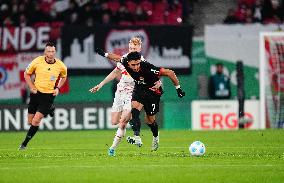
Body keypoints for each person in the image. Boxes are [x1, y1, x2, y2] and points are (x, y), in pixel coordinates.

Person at [97, 51, 185, 156]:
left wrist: (178, 89)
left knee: (149, 120)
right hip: (139, 90)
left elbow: (169, 73)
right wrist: (104, 54)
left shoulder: (148, 68)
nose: (136, 67)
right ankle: (137, 137)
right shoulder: (125, 62)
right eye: (133, 65)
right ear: (128, 63)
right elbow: (116, 58)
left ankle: (156, 136)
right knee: (134, 109)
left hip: (153, 93)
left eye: (138, 64)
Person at [90, 37, 161, 156]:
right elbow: (115, 72)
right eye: (131, 48)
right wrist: (101, 84)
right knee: (114, 122)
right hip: (120, 92)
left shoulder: (141, 63)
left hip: (132, 94)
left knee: (123, 122)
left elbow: (153, 74)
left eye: (135, 48)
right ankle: (131, 135)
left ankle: (113, 148)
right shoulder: (125, 59)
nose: (132, 50)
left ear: (140, 48)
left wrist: (158, 82)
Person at [19, 42, 67, 150]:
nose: (51, 54)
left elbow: (64, 77)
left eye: (53, 51)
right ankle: (51, 109)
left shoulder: (61, 66)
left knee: (36, 121)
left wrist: (58, 88)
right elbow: (26, 74)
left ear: (55, 52)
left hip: (48, 96)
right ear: (45, 52)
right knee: (30, 122)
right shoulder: (37, 61)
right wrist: (31, 86)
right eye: (49, 51)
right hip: (36, 94)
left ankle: (24, 144)